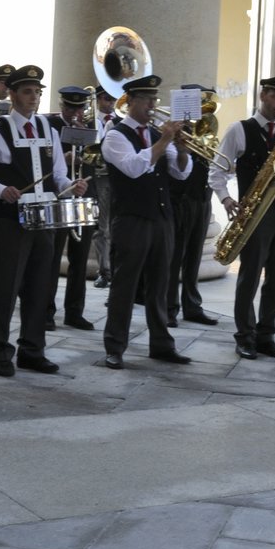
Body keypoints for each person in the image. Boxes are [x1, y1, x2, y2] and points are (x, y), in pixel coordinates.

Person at [0, 66, 88, 375]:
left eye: (37, 92)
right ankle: (2, 352)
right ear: (12, 94)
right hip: (12, 221)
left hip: (45, 220)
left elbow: (58, 174)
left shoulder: (49, 130)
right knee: (7, 287)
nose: (33, 97)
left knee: (40, 287)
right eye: (27, 91)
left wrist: (69, 187)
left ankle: (33, 350)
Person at [100, 73, 195, 369]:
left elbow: (181, 173)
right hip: (131, 220)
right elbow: (134, 168)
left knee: (161, 284)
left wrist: (181, 148)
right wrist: (166, 138)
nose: (154, 105)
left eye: (155, 99)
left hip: (161, 218)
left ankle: (162, 344)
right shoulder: (115, 135)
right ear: (131, 102)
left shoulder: (155, 135)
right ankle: (115, 346)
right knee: (124, 285)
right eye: (148, 100)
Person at [212, 76, 275, 358]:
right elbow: (218, 170)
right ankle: (245, 335)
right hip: (254, 211)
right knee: (250, 275)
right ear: (263, 95)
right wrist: (227, 199)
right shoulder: (238, 130)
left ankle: (267, 335)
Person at [166, 84, 222, 328]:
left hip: (202, 197)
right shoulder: (173, 127)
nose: (201, 108)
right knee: (174, 256)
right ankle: (168, 308)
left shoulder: (206, 127)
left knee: (194, 256)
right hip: (180, 198)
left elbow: (212, 158)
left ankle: (192, 306)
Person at [46, 84, 98, 331]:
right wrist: (63, 158)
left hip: (83, 196)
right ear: (61, 106)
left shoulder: (92, 128)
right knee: (52, 256)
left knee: (80, 255)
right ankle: (46, 310)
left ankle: (75, 311)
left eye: (79, 107)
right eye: (70, 107)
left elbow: (100, 159)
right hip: (59, 196)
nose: (75, 112)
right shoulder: (51, 127)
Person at [91, 85, 118, 288]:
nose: (111, 103)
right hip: (96, 177)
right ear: (99, 99)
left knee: (114, 227)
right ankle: (104, 270)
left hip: (115, 176)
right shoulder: (89, 119)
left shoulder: (120, 121)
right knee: (102, 227)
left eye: (113, 99)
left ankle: (114, 269)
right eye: (107, 99)